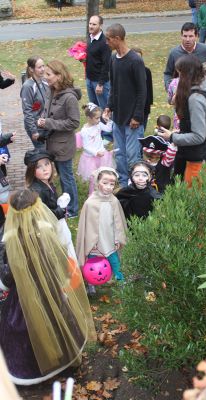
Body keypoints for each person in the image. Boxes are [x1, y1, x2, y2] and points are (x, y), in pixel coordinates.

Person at [0, 189, 96, 385]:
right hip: (51, 289)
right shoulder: (46, 230)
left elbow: (8, 276)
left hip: (23, 298)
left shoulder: (9, 239)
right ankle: (65, 360)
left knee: (27, 328)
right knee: (58, 319)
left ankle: (36, 369)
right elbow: (58, 259)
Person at [159, 54, 206, 187]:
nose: (178, 78)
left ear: (186, 74)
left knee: (193, 200)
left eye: (179, 74)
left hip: (201, 162)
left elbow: (199, 136)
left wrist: (172, 136)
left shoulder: (196, 99)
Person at [104, 23, 147, 188]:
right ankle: (124, 183)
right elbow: (113, 86)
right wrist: (109, 106)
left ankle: (138, 184)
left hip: (132, 120)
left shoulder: (135, 61)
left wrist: (137, 116)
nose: (106, 42)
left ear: (117, 38)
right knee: (119, 154)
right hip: (118, 117)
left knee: (132, 155)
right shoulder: (113, 58)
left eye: (108, 39)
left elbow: (142, 92)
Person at [37, 60, 81, 218]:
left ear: (59, 76)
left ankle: (73, 210)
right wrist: (43, 119)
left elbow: (74, 122)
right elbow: (48, 110)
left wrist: (49, 123)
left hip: (63, 146)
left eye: (49, 74)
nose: (45, 76)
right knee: (59, 176)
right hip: (51, 142)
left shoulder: (70, 98)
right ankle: (61, 203)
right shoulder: (51, 90)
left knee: (66, 177)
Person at [76, 167, 127, 295]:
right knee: (92, 262)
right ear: (98, 183)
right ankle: (91, 283)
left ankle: (121, 281)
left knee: (115, 262)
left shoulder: (114, 201)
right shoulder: (90, 203)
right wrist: (91, 241)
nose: (109, 187)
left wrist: (117, 238)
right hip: (95, 241)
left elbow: (118, 223)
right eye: (105, 183)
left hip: (110, 239)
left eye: (112, 184)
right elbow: (87, 226)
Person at [164, 22, 206, 90]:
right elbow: (168, 73)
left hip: (202, 91)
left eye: (190, 36)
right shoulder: (174, 53)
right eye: (185, 36)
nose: (187, 39)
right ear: (181, 36)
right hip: (182, 92)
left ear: (196, 36)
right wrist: (169, 88)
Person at [77, 103, 113, 195]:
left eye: (99, 117)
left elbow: (108, 129)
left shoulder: (98, 125)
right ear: (89, 118)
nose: (99, 120)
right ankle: (93, 194)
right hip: (91, 158)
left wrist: (109, 121)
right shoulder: (85, 131)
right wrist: (95, 152)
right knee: (94, 176)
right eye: (97, 118)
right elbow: (86, 146)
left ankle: (102, 190)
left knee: (102, 174)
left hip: (101, 155)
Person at [140, 116, 178, 192]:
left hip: (162, 192)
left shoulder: (163, 163)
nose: (151, 156)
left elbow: (170, 154)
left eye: (154, 154)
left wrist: (174, 140)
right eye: (148, 154)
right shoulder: (144, 164)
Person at [20, 56, 48, 148]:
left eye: (43, 66)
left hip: (46, 124)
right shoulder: (27, 87)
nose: (43, 69)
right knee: (43, 154)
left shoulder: (45, 81)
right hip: (36, 127)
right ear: (31, 69)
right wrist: (33, 131)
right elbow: (27, 111)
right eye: (39, 67)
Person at [86, 15, 111, 109]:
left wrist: (100, 84)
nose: (91, 26)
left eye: (94, 24)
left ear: (100, 26)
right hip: (89, 80)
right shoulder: (91, 37)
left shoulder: (104, 42)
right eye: (90, 23)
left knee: (104, 110)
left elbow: (106, 65)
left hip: (100, 82)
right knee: (93, 109)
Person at [131, 47, 153, 131]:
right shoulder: (128, 71)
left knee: (142, 126)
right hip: (134, 104)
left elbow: (149, 88)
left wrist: (149, 102)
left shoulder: (146, 71)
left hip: (145, 104)